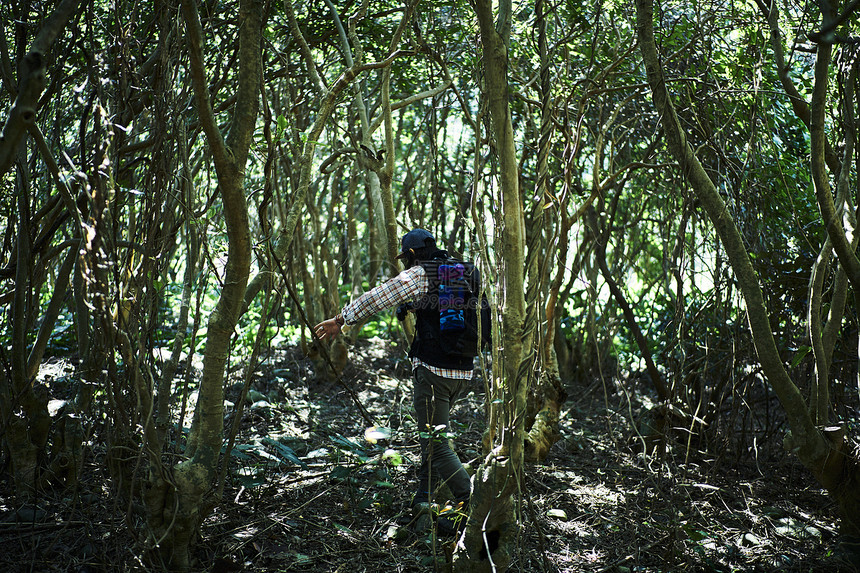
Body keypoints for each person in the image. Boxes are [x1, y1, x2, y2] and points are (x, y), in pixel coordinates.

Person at [314, 228, 483, 526]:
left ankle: (479, 508)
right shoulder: (463, 271)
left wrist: (341, 320)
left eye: (407, 258)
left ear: (413, 254)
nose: (407, 263)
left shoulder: (420, 274)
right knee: (434, 439)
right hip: (464, 372)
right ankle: (422, 502)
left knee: (436, 445)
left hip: (434, 373)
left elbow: (378, 297)